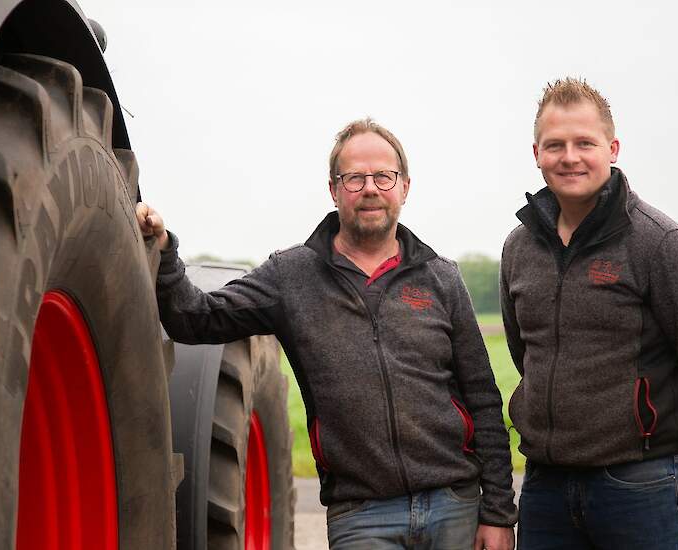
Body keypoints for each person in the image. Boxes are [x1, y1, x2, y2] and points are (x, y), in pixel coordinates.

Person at [138, 118, 517, 549]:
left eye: (383, 176)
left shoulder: (441, 278)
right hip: (362, 517)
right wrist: (165, 250)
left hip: (454, 504)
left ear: (405, 188)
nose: (370, 188)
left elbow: (484, 401)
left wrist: (499, 513)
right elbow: (195, 318)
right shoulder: (291, 275)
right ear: (334, 189)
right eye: (354, 178)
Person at [499, 78, 678, 549]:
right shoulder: (519, 247)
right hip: (545, 487)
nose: (570, 157)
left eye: (584, 143)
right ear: (536, 153)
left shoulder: (663, 245)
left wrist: (652, 433)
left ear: (612, 148)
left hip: (640, 486)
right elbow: (524, 352)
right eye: (555, 145)